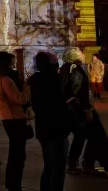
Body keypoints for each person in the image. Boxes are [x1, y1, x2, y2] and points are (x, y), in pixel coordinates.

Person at [30, 51, 73, 191]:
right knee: (59, 166)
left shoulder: (34, 78)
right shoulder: (55, 78)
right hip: (57, 128)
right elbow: (59, 104)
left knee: (49, 165)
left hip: (43, 127)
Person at [61, 48, 108, 176]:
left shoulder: (65, 68)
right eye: (80, 53)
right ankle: (82, 163)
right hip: (78, 109)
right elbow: (78, 92)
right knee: (87, 135)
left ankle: (74, 163)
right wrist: (87, 109)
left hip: (71, 109)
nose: (83, 55)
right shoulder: (75, 69)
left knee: (81, 136)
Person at [0, 51, 30, 191]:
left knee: (16, 153)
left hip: (7, 117)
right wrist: (27, 88)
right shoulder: (5, 80)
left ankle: (12, 183)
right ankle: (14, 184)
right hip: (14, 118)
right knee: (17, 155)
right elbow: (20, 99)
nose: (14, 65)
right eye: (12, 62)